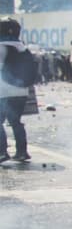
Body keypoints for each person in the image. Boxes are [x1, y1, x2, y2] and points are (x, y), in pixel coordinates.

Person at [0, 16, 32, 162]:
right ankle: (22, 152)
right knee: (15, 121)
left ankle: (2, 152)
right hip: (21, 91)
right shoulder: (22, 47)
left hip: (3, 90)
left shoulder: (1, 46)